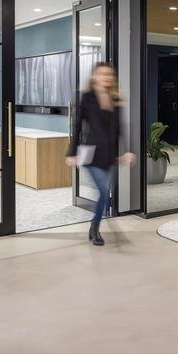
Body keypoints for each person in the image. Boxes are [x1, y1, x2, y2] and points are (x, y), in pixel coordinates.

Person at [66, 63, 135, 246]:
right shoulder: (87, 98)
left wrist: (126, 150)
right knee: (104, 193)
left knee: (105, 193)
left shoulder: (115, 98)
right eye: (102, 73)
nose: (106, 77)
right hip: (91, 153)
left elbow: (120, 128)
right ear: (94, 76)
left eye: (109, 74)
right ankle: (95, 228)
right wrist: (72, 152)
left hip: (110, 155)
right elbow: (78, 126)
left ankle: (94, 226)